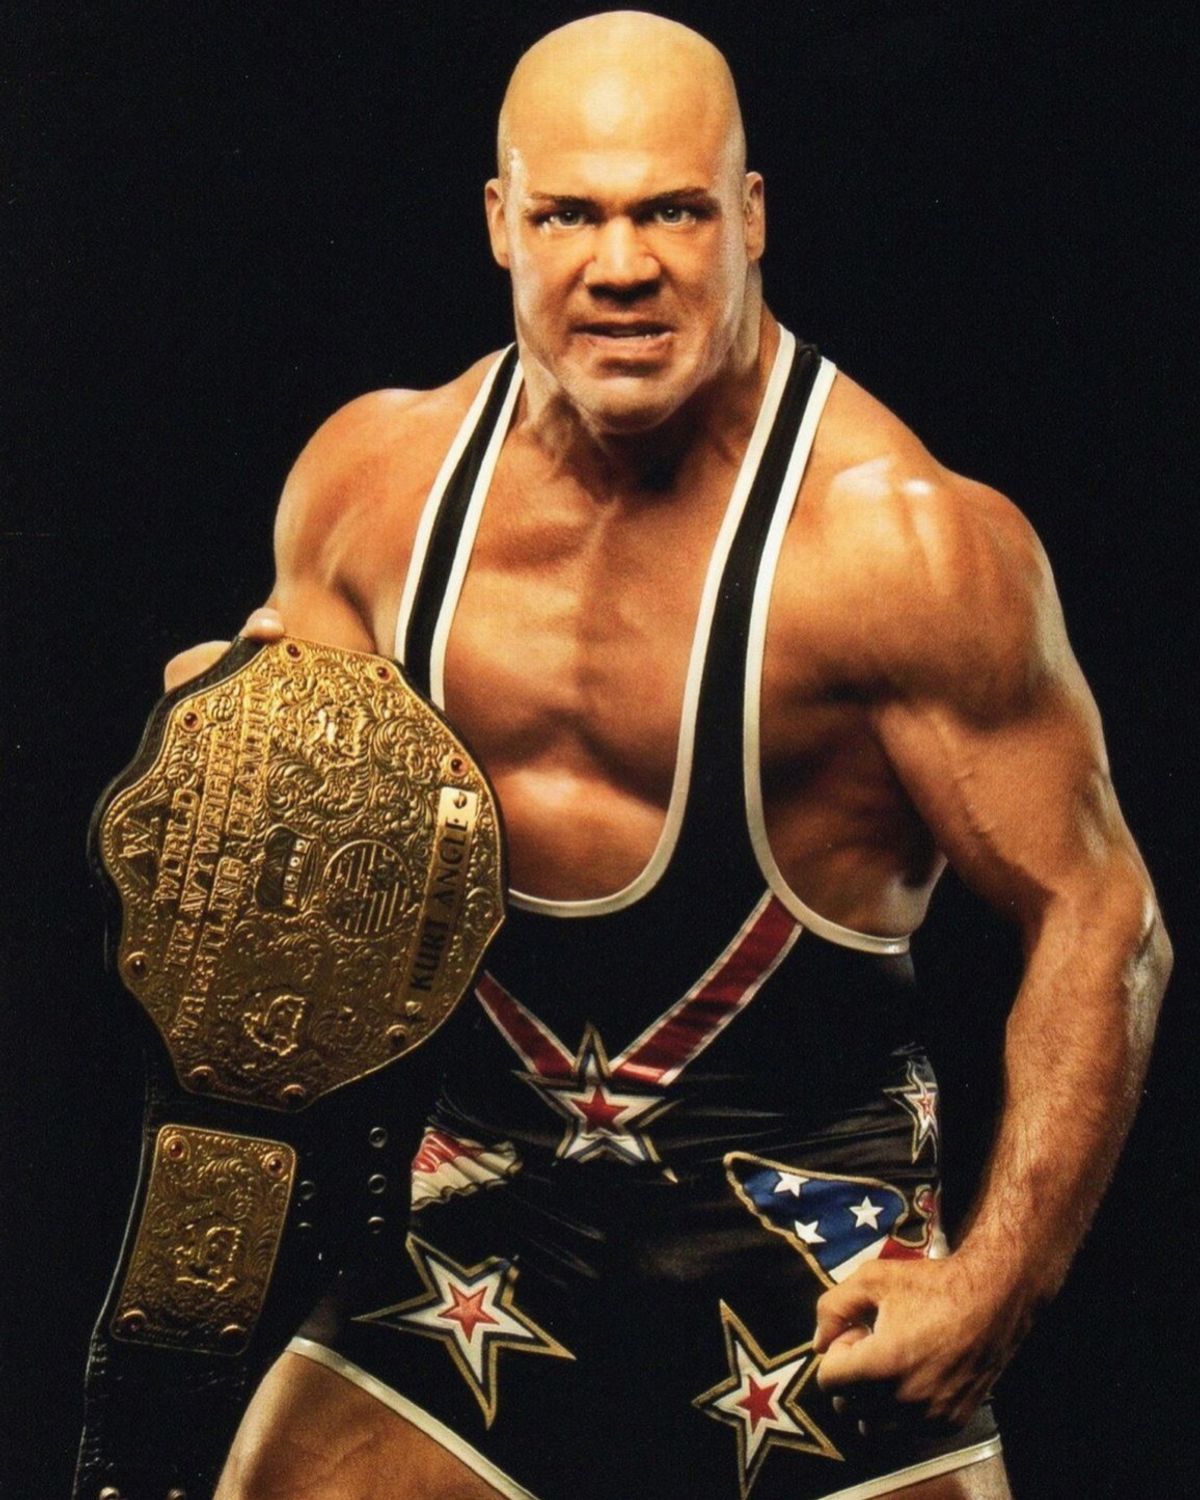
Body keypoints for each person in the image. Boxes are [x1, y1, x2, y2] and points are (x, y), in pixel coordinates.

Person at [163, 12, 1170, 1499]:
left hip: (808, 1260)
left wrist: (1000, 1278)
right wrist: (218, 765)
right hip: (482, 1228)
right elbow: (288, 882)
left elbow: (1102, 914)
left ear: (751, 217)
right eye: (569, 213)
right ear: (500, 222)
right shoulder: (374, 489)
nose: (621, 264)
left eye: (673, 211)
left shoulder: (900, 547)